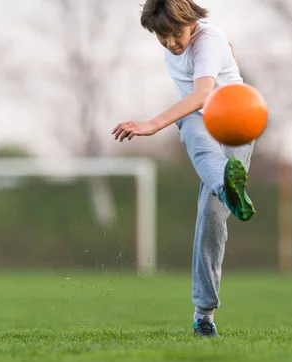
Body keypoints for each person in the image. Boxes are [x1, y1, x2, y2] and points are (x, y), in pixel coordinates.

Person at [112, 0, 256, 338]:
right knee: (209, 198)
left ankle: (203, 313)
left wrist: (153, 124)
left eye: (177, 34)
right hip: (198, 121)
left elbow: (203, 94)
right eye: (163, 38)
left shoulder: (208, 40)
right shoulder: (184, 41)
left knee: (211, 212)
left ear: (191, 21)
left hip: (236, 118)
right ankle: (227, 187)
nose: (173, 43)